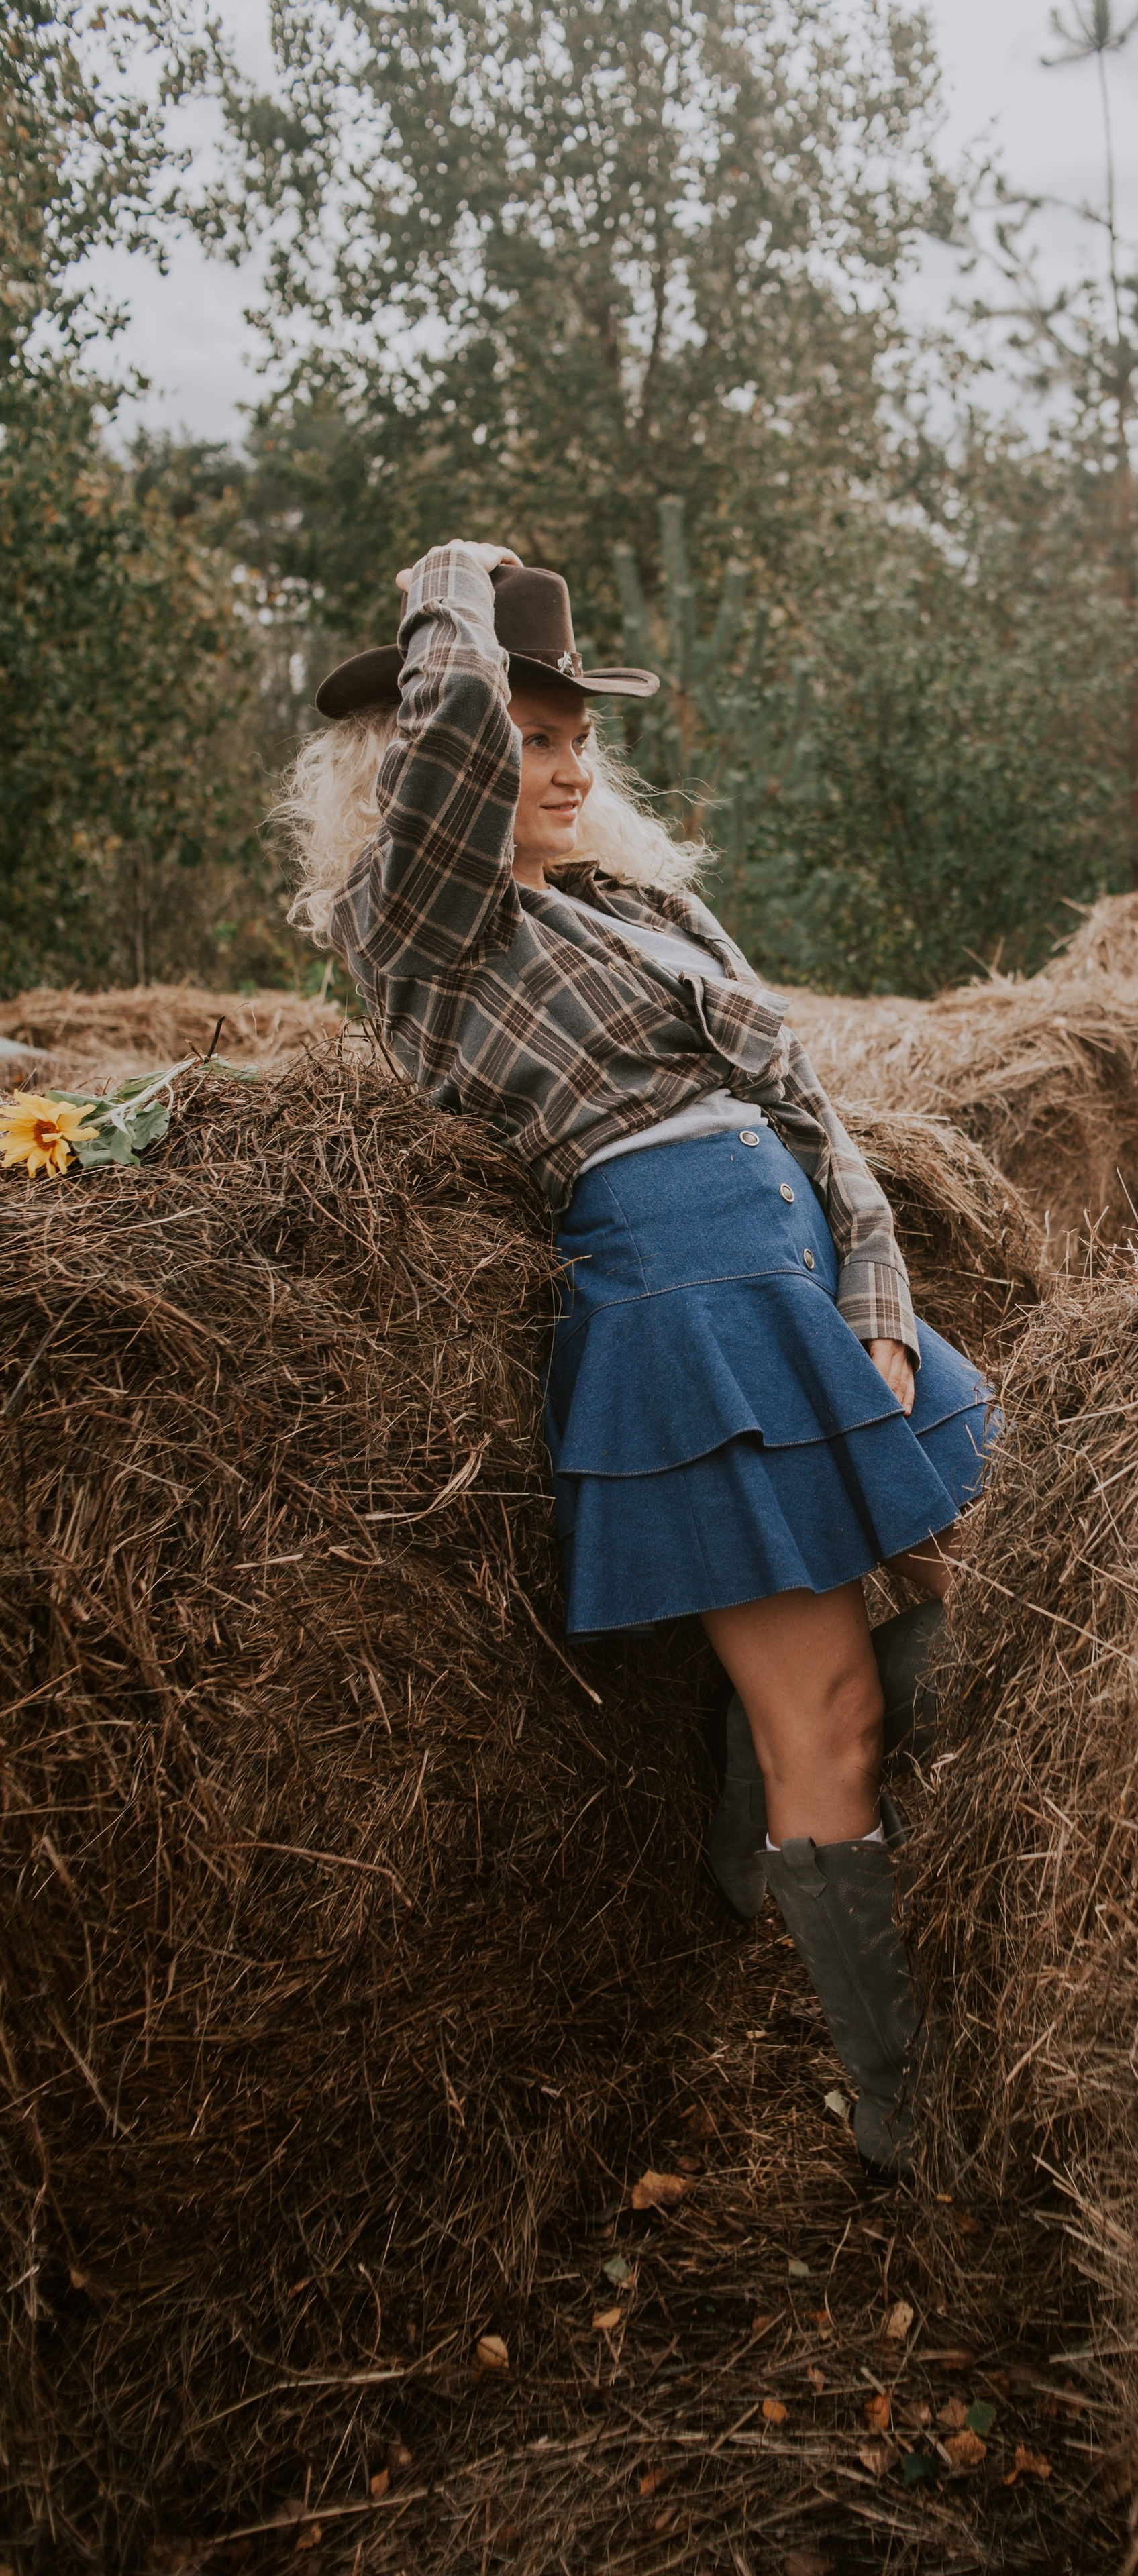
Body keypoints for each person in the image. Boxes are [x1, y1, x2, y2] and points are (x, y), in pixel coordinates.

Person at [280, 538, 996, 2178]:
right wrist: (456, 574)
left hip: (801, 1269)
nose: (566, 762)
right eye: (534, 734)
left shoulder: (636, 905)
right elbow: (449, 715)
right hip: (677, 1296)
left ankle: (735, 1772)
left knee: (1007, 1596)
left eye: (577, 733)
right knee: (838, 1721)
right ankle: (903, 2113)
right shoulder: (422, 934)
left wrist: (877, 1297)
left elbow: (808, 1105)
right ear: (433, 756)